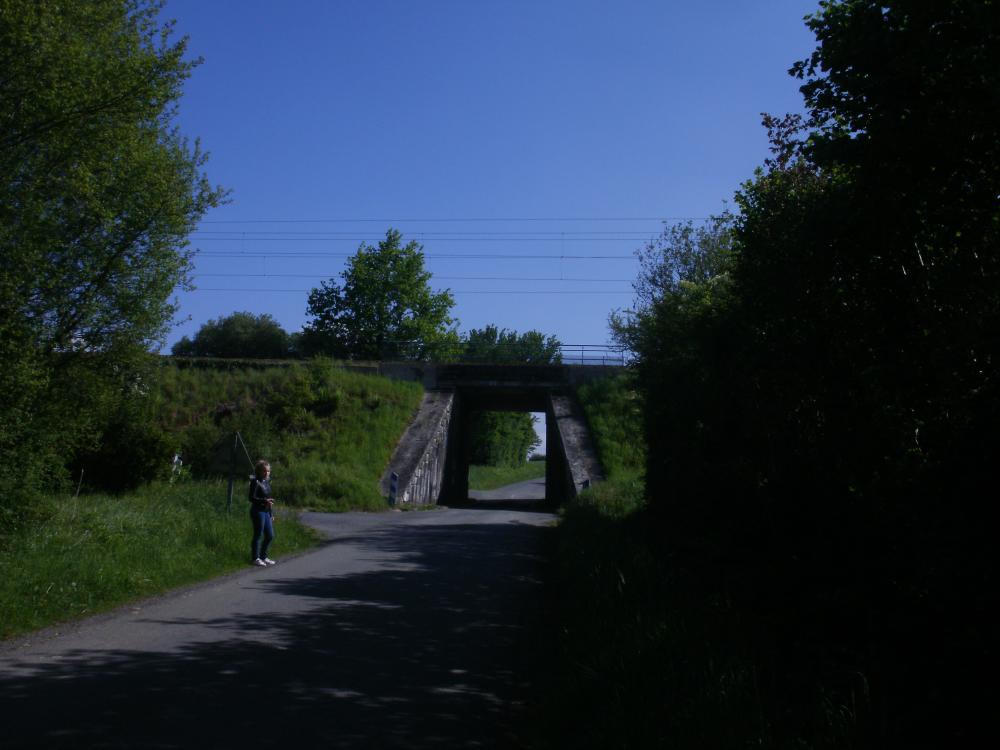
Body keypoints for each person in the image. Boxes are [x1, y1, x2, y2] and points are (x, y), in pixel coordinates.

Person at [248, 459, 277, 567]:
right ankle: (255, 558)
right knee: (258, 535)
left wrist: (271, 514)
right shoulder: (255, 482)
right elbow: (251, 498)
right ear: (259, 471)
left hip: (266, 512)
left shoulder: (266, 482)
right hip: (257, 511)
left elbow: (269, 499)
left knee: (270, 536)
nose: (267, 473)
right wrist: (264, 501)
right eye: (264, 471)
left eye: (268, 471)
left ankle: (263, 556)